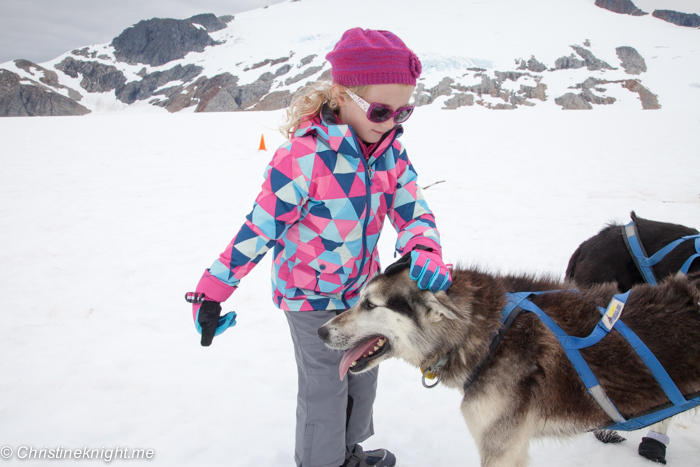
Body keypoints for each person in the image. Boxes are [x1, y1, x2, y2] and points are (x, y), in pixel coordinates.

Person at [187, 27, 451, 467]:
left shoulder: (391, 156)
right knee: (326, 385)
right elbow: (257, 232)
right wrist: (211, 290)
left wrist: (424, 249)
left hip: (364, 295)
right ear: (341, 94)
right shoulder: (301, 159)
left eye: (404, 112)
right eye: (382, 110)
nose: (391, 122)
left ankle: (345, 453)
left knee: (362, 377)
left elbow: (413, 211)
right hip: (308, 298)